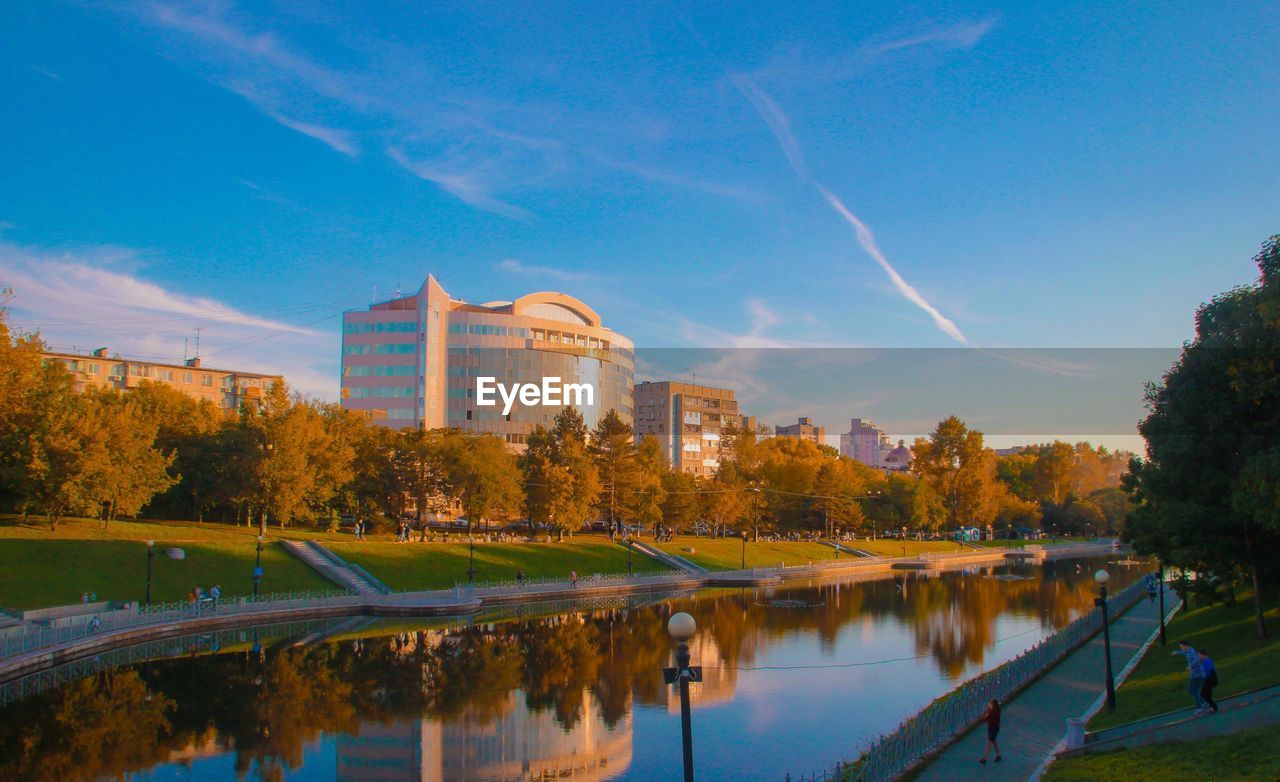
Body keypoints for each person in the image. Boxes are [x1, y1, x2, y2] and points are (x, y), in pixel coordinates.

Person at [1173, 639, 1207, 711]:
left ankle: (1199, 707)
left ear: (1185, 646)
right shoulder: (1188, 650)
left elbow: (1197, 660)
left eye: (1181, 647)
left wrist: (1190, 667)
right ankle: (1203, 702)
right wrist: (1177, 652)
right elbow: (1184, 652)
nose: (1181, 648)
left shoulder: (1191, 652)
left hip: (1197, 675)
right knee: (1192, 691)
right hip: (1196, 674)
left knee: (1193, 691)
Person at [978, 699, 1002, 764]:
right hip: (991, 727)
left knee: (990, 742)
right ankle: (998, 755)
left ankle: (984, 758)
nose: (989, 705)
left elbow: (985, 717)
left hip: (994, 728)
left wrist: (987, 711)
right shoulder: (992, 711)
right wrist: (987, 711)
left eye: (990, 704)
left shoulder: (994, 711)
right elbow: (985, 718)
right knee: (993, 741)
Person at [1197, 649, 1219, 714]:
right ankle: (1211, 705)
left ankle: (1214, 707)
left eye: (1198, 655)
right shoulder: (1205, 661)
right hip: (1209, 680)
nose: (1198, 657)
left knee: (1206, 696)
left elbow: (1208, 673)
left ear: (1202, 655)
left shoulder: (1207, 661)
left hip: (1210, 680)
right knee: (1203, 694)